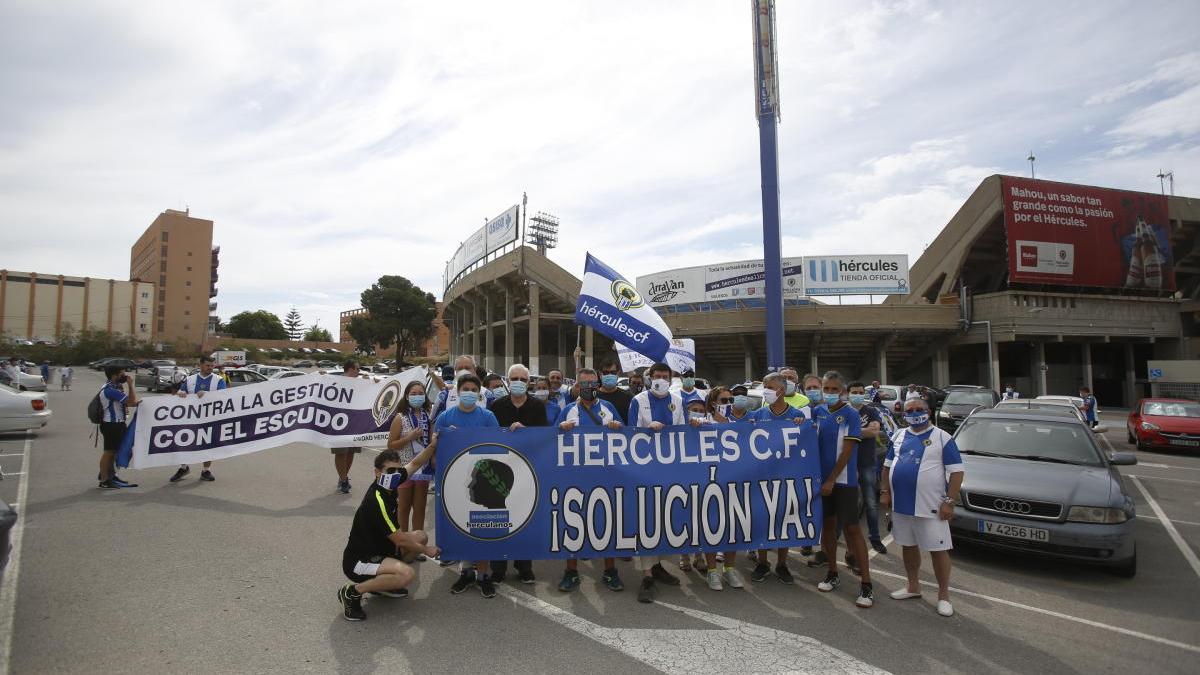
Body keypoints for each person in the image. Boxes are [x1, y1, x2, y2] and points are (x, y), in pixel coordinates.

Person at [881, 397, 965, 617]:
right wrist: (885, 492)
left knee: (938, 551)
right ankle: (912, 586)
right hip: (902, 505)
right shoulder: (898, 435)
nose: (915, 413)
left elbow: (956, 472)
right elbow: (887, 466)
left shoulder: (942, 437)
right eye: (910, 410)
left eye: (920, 409)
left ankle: (944, 596)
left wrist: (949, 501)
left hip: (931, 507)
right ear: (904, 414)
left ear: (929, 412)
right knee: (908, 546)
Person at [337, 447, 441, 621]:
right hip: (360, 560)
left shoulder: (390, 482)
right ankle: (352, 592)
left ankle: (383, 583)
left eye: (397, 470)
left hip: (382, 551)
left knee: (421, 536)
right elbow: (399, 540)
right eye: (389, 470)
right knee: (406, 574)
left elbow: (415, 463)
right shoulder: (377, 499)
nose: (395, 474)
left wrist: (433, 444)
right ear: (377, 472)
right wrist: (427, 550)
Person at [556, 368, 625, 593]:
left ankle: (610, 570)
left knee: (607, 522)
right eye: (583, 384)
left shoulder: (608, 408)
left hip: (605, 476)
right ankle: (571, 571)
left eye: (591, 383)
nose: (588, 388)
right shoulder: (568, 410)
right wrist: (561, 429)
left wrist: (617, 428)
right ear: (577, 386)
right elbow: (550, 439)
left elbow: (626, 436)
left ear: (597, 385)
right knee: (573, 523)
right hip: (573, 477)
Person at [626, 362, 689, 603]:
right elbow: (629, 434)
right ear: (650, 378)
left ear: (671, 378)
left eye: (665, 376)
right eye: (657, 376)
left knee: (666, 518)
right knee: (647, 519)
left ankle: (659, 564)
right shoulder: (638, 401)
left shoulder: (678, 400)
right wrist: (645, 432)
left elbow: (683, 432)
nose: (661, 379)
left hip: (671, 470)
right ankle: (647, 574)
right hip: (644, 470)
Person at [435, 374, 502, 599]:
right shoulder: (445, 417)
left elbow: (498, 446)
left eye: (474, 389)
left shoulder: (488, 416)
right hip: (454, 481)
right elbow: (434, 451)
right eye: (466, 388)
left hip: (481, 481)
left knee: (482, 527)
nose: (470, 392)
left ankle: (483, 575)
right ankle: (465, 572)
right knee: (461, 525)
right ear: (458, 390)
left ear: (479, 393)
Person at [814, 371, 873, 608]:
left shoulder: (850, 415)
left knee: (852, 530)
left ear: (843, 392)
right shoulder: (817, 412)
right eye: (826, 389)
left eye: (834, 390)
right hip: (822, 480)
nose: (829, 393)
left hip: (844, 481)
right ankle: (832, 572)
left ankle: (867, 585)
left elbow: (847, 452)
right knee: (827, 528)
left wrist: (831, 479)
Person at [749, 372, 812, 584]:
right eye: (764, 385)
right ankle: (762, 562)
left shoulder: (796, 415)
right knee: (763, 520)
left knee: (784, 520)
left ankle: (782, 563)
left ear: (781, 391)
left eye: (769, 386)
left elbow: (807, 442)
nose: (765, 390)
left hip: (787, 478)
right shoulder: (758, 415)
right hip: (762, 477)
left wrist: (801, 425)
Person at [489, 364, 548, 585]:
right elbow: (489, 436)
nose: (519, 382)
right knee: (500, 518)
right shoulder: (497, 406)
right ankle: (498, 567)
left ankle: (524, 565)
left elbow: (543, 437)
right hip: (501, 468)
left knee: (526, 517)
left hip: (528, 469)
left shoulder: (537, 406)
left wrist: (526, 432)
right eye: (515, 378)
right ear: (507, 379)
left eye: (523, 379)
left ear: (529, 382)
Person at [386, 379, 434, 541]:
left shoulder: (428, 416)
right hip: (405, 468)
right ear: (407, 396)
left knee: (420, 507)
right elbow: (391, 445)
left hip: (423, 469)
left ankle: (417, 543)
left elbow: (432, 442)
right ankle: (403, 544)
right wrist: (409, 437)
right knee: (404, 507)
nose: (417, 396)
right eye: (414, 394)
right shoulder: (400, 418)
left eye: (421, 393)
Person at [848, 381, 889, 557]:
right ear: (848, 393)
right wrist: (863, 430)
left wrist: (850, 431)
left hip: (866, 462)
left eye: (860, 392)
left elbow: (874, 432)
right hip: (847, 463)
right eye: (854, 392)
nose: (857, 394)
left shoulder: (871, 411)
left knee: (871, 503)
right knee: (846, 504)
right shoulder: (844, 411)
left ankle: (875, 538)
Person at [170, 356, 227, 483]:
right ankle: (183, 467)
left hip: (210, 418)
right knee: (184, 442)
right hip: (190, 418)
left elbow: (224, 396)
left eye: (212, 366)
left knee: (208, 444)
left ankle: (206, 470)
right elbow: (180, 392)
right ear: (200, 365)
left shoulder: (218, 380)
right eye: (207, 365)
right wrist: (180, 394)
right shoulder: (190, 379)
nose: (210, 368)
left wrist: (208, 395)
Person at [97, 365, 139, 489]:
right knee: (109, 452)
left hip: (118, 424)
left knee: (116, 452)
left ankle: (111, 475)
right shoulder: (110, 390)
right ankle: (104, 479)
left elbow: (129, 403)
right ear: (114, 375)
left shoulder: (115, 387)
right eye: (122, 374)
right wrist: (131, 385)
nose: (125, 376)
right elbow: (131, 401)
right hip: (111, 424)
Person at [331, 360, 364, 494]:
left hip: (354, 423)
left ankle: (342, 477)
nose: (359, 371)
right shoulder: (337, 382)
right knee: (341, 452)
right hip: (339, 424)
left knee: (351, 452)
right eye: (357, 368)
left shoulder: (360, 383)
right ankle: (344, 480)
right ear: (350, 369)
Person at [431, 355, 481, 420]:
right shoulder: (445, 394)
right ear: (455, 371)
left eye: (467, 368)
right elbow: (434, 421)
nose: (463, 371)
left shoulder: (486, 394)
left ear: (475, 369)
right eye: (460, 368)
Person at [596, 359, 633, 423]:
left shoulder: (628, 397)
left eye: (613, 372)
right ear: (600, 374)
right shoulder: (593, 397)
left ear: (618, 374)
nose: (609, 375)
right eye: (606, 372)